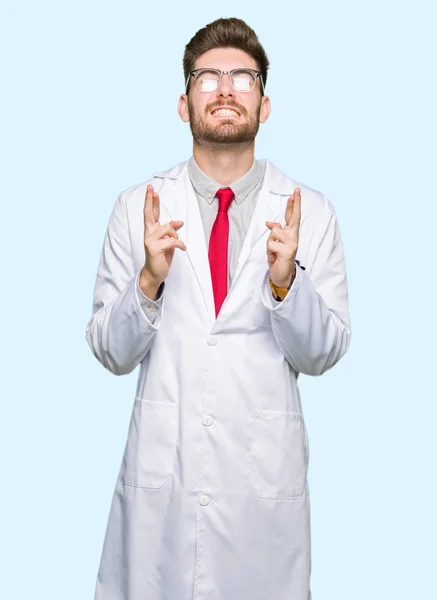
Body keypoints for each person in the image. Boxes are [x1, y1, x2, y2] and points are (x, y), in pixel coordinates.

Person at [86, 17, 351, 600]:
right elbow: (109, 350)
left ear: (265, 103)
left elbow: (323, 353)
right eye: (208, 78)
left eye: (242, 77)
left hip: (262, 498)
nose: (226, 89)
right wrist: (150, 281)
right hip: (166, 491)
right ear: (184, 104)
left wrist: (286, 285)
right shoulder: (138, 209)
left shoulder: (312, 213)